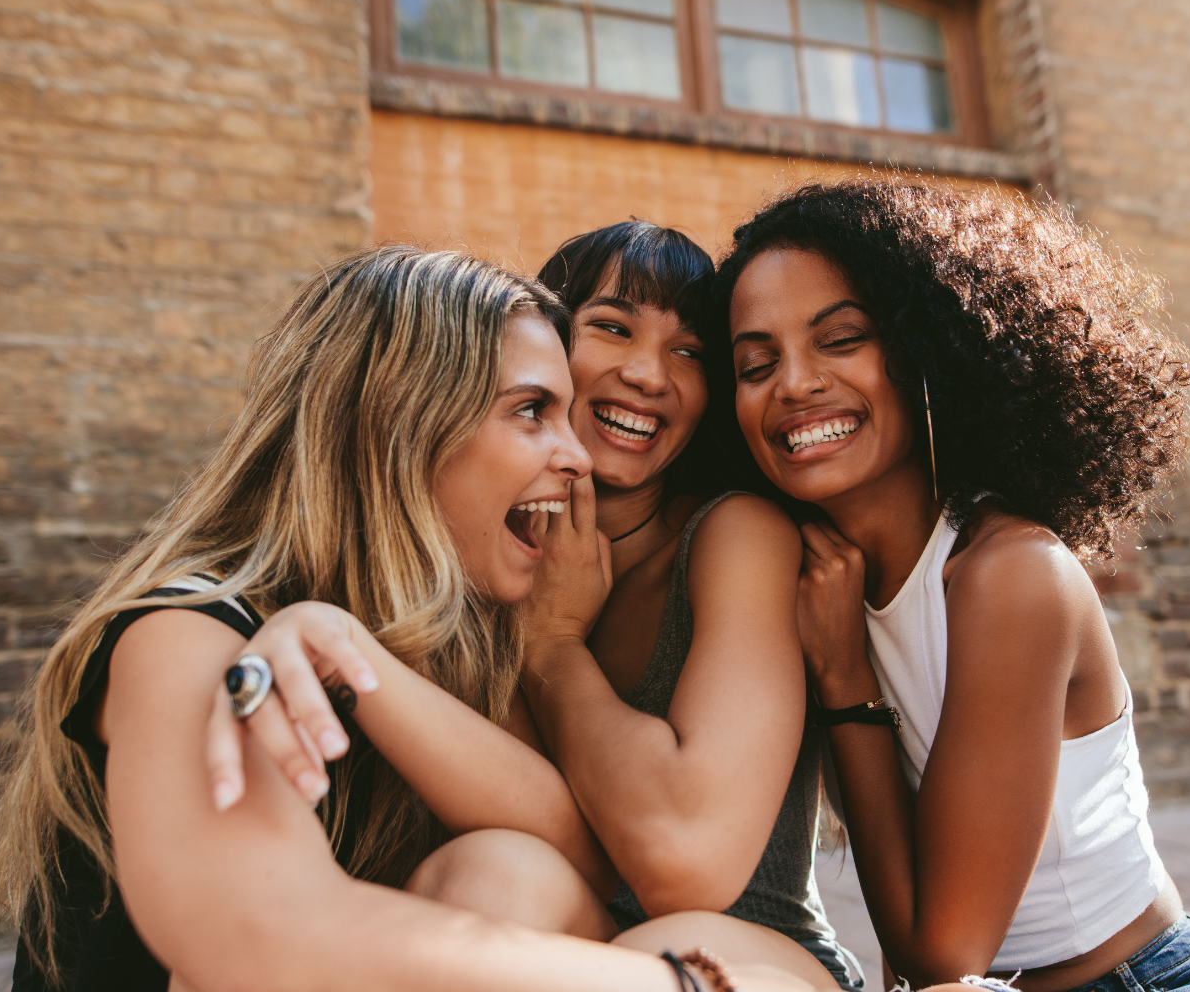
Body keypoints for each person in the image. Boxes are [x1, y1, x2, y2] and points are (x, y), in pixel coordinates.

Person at [0, 246, 814, 992]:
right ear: (403, 423)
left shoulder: (445, 645)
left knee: (506, 871)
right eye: (530, 412)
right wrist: (692, 987)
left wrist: (355, 656)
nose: (575, 456)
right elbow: (250, 939)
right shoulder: (188, 631)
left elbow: (582, 858)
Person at [216, 223, 855, 989]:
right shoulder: (486, 548)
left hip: (750, 954)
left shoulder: (736, 535)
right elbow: (518, 835)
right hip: (558, 936)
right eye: (613, 328)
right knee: (493, 872)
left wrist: (552, 647)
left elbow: (688, 862)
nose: (650, 374)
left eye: (689, 353)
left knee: (644, 933)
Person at [717, 182, 1190, 992]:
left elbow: (941, 957)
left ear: (929, 350)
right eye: (755, 363)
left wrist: (846, 682)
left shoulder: (1012, 575)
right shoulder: (818, 579)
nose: (794, 384)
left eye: (841, 339)